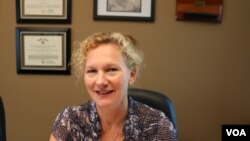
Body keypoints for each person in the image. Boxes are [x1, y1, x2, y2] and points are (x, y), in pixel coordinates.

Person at [49, 32, 177, 141]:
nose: (100, 82)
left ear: (131, 75)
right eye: (92, 71)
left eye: (111, 69)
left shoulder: (157, 125)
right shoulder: (69, 121)